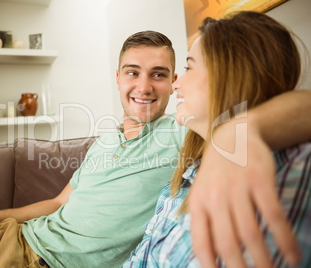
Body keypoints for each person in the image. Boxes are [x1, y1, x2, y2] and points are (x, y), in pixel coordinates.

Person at [0, 29, 310, 267]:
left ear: (172, 80)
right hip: (12, 239)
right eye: (133, 73)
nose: (145, 86)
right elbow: (60, 201)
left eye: (160, 74)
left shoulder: (186, 132)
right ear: (117, 77)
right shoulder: (105, 138)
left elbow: (298, 105)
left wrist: (239, 130)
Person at [122, 11, 311, 268]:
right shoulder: (192, 166)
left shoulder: (292, 166)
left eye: (189, 67)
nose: (177, 84)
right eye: (132, 73)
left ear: (230, 74)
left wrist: (242, 128)